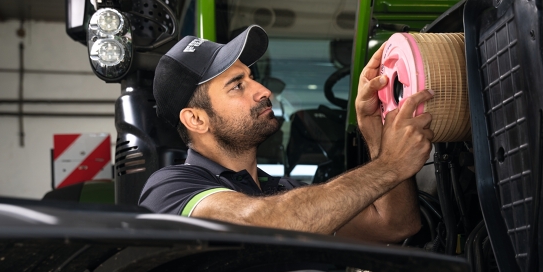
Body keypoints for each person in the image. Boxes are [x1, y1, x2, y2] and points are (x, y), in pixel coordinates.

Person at [139, 25, 434, 243]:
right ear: (196, 119)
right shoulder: (170, 190)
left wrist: (376, 131)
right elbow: (258, 222)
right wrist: (389, 166)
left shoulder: (281, 189)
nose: (263, 91)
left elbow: (395, 225)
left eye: (252, 77)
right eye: (237, 85)